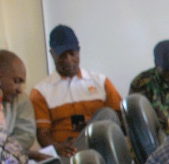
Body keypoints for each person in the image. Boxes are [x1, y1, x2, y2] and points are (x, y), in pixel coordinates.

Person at [30, 24, 123, 155]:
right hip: (65, 149)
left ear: (79, 51)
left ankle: (78, 156)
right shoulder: (40, 91)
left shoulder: (101, 81)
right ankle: (77, 156)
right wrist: (58, 148)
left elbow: (117, 118)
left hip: (100, 144)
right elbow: (43, 134)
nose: (68, 60)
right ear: (52, 54)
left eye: (72, 53)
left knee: (107, 114)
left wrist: (91, 123)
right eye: (62, 55)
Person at [0, 50, 38, 152]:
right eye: (16, 81)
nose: (20, 89)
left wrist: (6, 149)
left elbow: (26, 136)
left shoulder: (20, 99)